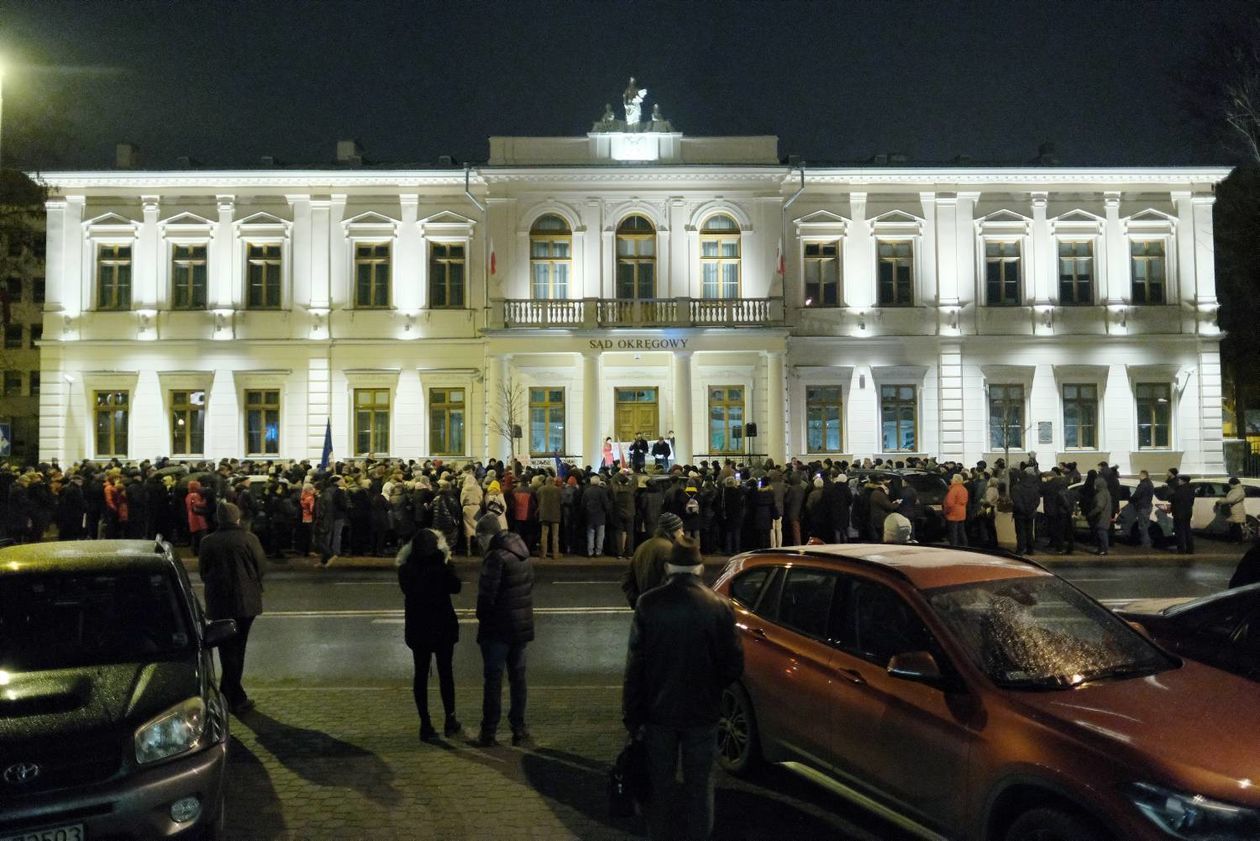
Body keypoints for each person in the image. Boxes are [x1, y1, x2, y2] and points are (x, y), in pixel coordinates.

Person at [622, 537, 743, 841]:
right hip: (703, 713)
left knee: (660, 788)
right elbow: (733, 666)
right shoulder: (719, 606)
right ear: (700, 568)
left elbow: (635, 668)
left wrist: (632, 716)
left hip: (658, 713)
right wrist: (712, 688)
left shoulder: (648, 604)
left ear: (668, 568)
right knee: (700, 789)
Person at [473, 513, 535, 748]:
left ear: (487, 535)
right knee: (518, 679)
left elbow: (486, 598)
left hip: (498, 630)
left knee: (493, 680)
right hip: (520, 626)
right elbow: (529, 586)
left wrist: (483, 622)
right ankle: (519, 729)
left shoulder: (495, 558)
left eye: (479, 538)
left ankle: (489, 731)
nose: (478, 543)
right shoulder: (522, 552)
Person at [198, 502, 265, 715]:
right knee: (238, 649)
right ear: (237, 518)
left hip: (219, 602)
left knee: (226, 649)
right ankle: (233, 695)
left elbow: (203, 571)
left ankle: (229, 692)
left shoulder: (208, 541)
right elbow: (261, 567)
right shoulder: (249, 539)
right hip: (246, 602)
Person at [398, 528, 463, 742]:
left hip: (418, 627)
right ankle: (450, 720)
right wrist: (447, 561)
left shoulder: (406, 568)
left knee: (420, 675)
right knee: (446, 674)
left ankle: (425, 724)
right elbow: (456, 587)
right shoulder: (441, 565)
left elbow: (406, 589)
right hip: (442, 626)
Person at [621, 512, 685, 607]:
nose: (683, 533)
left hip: (645, 609)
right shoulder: (670, 550)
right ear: (673, 531)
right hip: (661, 609)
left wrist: (637, 602)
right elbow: (672, 583)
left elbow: (627, 580)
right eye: (680, 529)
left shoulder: (643, 546)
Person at [536, 476, 563, 560]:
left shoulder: (541, 489)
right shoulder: (558, 490)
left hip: (544, 514)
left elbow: (538, 499)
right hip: (555, 515)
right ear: (553, 482)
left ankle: (543, 554)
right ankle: (555, 554)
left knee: (544, 535)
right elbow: (561, 501)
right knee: (555, 536)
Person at [1087, 475, 1112, 556]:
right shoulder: (1106, 492)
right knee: (1103, 533)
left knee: (1101, 533)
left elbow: (1099, 507)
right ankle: (1102, 549)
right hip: (1105, 515)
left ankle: (1103, 550)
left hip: (1101, 517)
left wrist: (1091, 514)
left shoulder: (1100, 494)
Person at [1129, 470, 1155, 548]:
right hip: (1148, 506)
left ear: (1143, 475)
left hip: (1142, 507)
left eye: (1140, 475)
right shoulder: (1150, 484)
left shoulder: (1143, 484)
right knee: (1146, 525)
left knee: (1142, 526)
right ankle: (1147, 541)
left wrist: (1131, 499)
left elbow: (1137, 495)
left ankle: (1146, 543)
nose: (1138, 476)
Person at [1172, 475, 1196, 555]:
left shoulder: (1180, 489)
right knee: (1187, 530)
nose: (1178, 481)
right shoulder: (1191, 489)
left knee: (1180, 531)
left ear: (1183, 481)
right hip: (1188, 511)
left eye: (1179, 480)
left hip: (1179, 512)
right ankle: (1190, 549)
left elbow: (1175, 499)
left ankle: (1181, 549)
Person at [943, 474, 968, 546]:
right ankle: (964, 546)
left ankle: (954, 547)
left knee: (953, 533)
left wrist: (945, 512)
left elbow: (949, 503)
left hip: (953, 513)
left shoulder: (953, 490)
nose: (951, 480)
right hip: (962, 513)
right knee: (961, 531)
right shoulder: (964, 489)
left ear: (956, 480)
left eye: (953, 479)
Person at [1222, 477, 1246, 543]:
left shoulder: (1237, 490)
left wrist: (1221, 501)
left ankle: (1236, 540)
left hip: (1235, 509)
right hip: (1236, 509)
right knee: (1235, 526)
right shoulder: (1237, 489)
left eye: (1230, 484)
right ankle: (1234, 540)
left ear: (1232, 484)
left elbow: (1231, 499)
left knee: (1236, 526)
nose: (1229, 485)